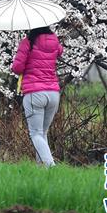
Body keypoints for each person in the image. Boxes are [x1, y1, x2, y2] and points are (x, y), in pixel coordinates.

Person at [11, 25, 63, 167]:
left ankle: (50, 166)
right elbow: (60, 52)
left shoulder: (28, 42)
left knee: (36, 133)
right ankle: (42, 170)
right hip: (53, 93)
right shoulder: (54, 40)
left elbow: (17, 68)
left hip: (34, 92)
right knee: (42, 133)